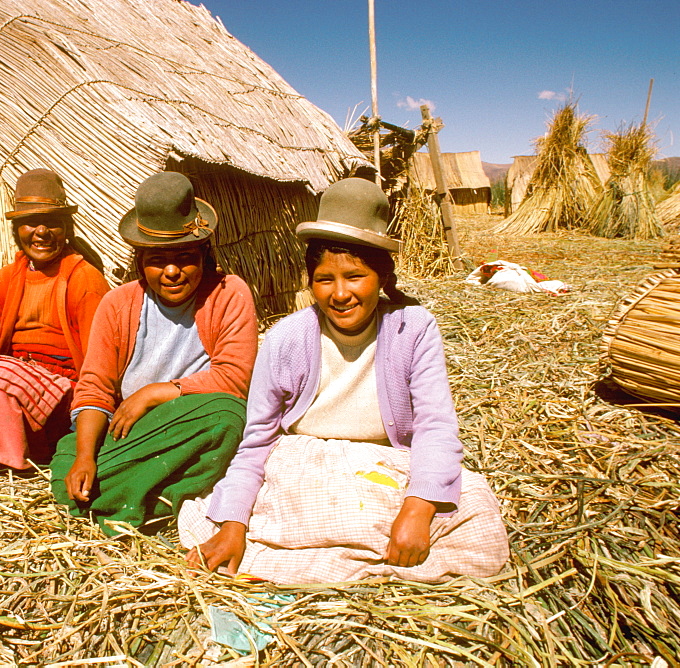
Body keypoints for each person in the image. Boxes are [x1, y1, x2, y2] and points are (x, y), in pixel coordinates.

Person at [181, 178, 508, 584]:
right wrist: (234, 526)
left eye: (355, 276)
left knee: (477, 511)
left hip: (387, 470)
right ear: (310, 281)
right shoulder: (286, 338)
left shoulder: (414, 328)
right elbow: (258, 440)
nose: (339, 294)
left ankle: (328, 560)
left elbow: (435, 426)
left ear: (383, 277)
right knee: (222, 520)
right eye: (324, 279)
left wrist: (418, 506)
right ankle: (369, 562)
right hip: (304, 468)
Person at [50, 171, 258, 535]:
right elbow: (95, 384)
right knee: (69, 460)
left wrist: (155, 393)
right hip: (133, 432)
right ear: (140, 262)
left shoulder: (229, 294)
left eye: (185, 257)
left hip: (195, 424)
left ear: (205, 255)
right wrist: (85, 457)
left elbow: (234, 379)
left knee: (229, 417)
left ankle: (130, 501)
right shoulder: (118, 305)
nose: (173, 271)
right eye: (158, 259)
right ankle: (150, 499)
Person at [0, 169, 109, 469]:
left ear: (67, 229)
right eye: (29, 223)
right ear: (16, 230)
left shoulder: (84, 279)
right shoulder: (8, 278)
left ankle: (7, 457)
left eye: (52, 222)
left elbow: (98, 358)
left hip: (62, 389)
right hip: (16, 377)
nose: (41, 232)